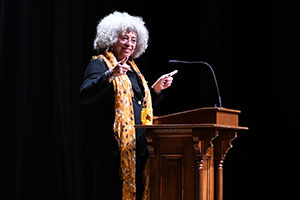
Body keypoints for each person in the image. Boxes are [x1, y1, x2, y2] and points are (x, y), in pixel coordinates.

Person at [79, 11, 175, 200]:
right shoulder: (100, 64)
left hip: (138, 149)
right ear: (112, 38)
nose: (129, 44)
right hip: (111, 152)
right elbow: (85, 95)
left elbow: (136, 107)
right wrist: (109, 75)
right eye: (124, 38)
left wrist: (154, 90)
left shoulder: (134, 70)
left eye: (133, 40)